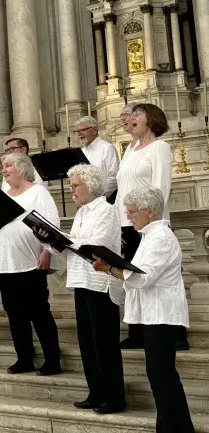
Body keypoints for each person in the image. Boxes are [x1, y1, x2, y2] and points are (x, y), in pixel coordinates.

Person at [93, 187, 194, 432]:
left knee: (162, 374)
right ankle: (176, 426)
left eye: (132, 212)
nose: (128, 217)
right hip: (153, 314)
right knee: (159, 375)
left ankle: (174, 428)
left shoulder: (160, 237)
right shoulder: (150, 235)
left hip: (162, 314)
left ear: (150, 211)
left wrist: (108, 269)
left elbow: (142, 278)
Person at [0, 153, 62, 376]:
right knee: (15, 315)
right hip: (5, 264)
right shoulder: (2, 194)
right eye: (2, 166)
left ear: (21, 168)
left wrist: (47, 252)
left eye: (8, 166)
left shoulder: (38, 192)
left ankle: (53, 360)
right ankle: (24, 358)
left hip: (30, 263)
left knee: (39, 313)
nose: (4, 170)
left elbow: (52, 224)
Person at [63, 165, 125, 413]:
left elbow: (96, 244)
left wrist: (66, 241)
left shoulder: (106, 210)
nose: (72, 190)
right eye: (71, 186)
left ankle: (114, 397)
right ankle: (95, 392)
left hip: (100, 283)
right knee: (86, 341)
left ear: (91, 186)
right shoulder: (80, 213)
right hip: (81, 280)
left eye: (75, 185)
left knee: (105, 343)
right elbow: (75, 245)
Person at [115, 103, 176, 350]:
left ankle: (175, 334)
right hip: (127, 222)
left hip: (149, 223)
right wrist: (117, 224)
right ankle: (137, 331)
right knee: (132, 279)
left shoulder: (160, 147)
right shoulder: (129, 149)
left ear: (151, 120)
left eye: (137, 114)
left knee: (157, 280)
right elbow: (122, 190)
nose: (131, 118)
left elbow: (161, 188)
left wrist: (149, 220)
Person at [75, 116, 119, 201]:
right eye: (77, 131)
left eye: (82, 130)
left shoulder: (107, 148)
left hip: (105, 200)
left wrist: (98, 197)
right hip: (86, 201)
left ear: (94, 130)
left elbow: (113, 176)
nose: (79, 134)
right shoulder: (82, 151)